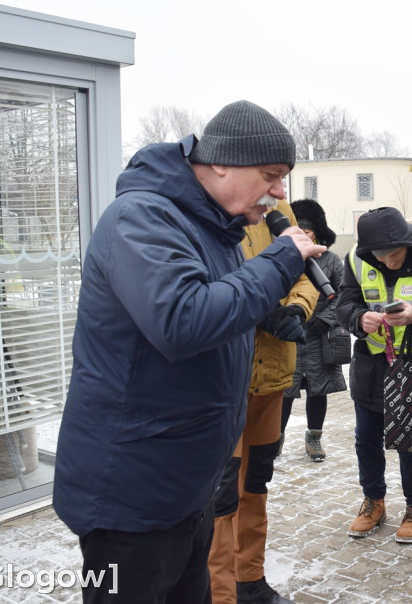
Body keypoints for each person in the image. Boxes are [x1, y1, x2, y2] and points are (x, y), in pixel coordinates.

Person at [53, 100, 324, 603]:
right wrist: (280, 258)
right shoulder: (142, 219)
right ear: (220, 161)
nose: (279, 192)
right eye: (270, 174)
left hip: (185, 489)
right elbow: (183, 320)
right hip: (130, 498)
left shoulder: (214, 227)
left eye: (283, 177)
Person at [208, 198, 318, 604]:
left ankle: (249, 581)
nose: (278, 186)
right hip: (224, 385)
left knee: (255, 486)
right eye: (270, 172)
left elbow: (305, 270)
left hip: (271, 379)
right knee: (221, 496)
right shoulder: (210, 215)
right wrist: (259, 309)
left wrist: (295, 308)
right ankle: (219, 595)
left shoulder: (280, 214)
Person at [336, 206, 412, 544]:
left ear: (407, 242)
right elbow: (344, 304)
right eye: (381, 256)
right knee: (366, 440)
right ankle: (374, 501)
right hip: (371, 363)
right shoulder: (355, 258)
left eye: (395, 255)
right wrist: (359, 319)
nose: (389, 262)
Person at [280, 198, 348, 461]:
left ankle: (314, 439)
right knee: (284, 389)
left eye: (308, 230)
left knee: (318, 390)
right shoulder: (284, 258)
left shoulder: (331, 260)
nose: (305, 235)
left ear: (318, 233)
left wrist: (327, 318)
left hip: (321, 338)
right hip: (290, 335)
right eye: (300, 230)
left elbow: (344, 295)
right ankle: (276, 438)